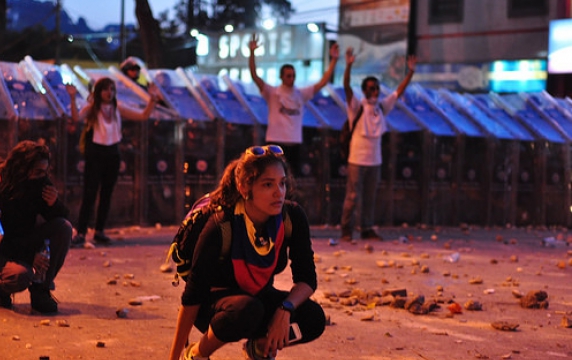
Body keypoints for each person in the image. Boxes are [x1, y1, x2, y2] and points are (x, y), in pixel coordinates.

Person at [168, 145, 325, 360]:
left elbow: (307, 279)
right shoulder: (222, 225)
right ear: (244, 187)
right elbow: (192, 296)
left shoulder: (292, 217)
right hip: (217, 310)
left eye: (282, 183)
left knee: (313, 318)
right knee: (248, 309)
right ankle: (197, 353)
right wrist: (173, 357)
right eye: (267, 185)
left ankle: (259, 347)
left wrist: (285, 309)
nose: (278, 192)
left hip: (257, 299)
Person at [66, 77, 158, 247]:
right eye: (106, 89)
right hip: (95, 152)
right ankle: (81, 232)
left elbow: (143, 116)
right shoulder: (92, 108)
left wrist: (152, 99)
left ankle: (99, 230)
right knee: (89, 193)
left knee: (106, 194)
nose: (109, 93)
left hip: (112, 152)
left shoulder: (117, 108)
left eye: (112, 89)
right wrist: (72, 97)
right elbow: (76, 118)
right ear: (98, 92)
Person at [340, 48, 417, 242]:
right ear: (365, 90)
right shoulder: (357, 107)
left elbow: (398, 92)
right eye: (372, 88)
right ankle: (346, 230)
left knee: (369, 198)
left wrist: (411, 72)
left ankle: (366, 229)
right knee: (352, 197)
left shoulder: (382, 108)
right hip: (357, 160)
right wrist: (348, 65)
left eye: (377, 88)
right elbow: (347, 87)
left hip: (375, 161)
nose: (376, 91)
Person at [0, 141, 72, 313]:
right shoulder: (0, 182)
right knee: (19, 276)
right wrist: (30, 256)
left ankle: (41, 289)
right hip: (1, 247)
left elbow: (61, 218)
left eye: (44, 172)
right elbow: (0, 236)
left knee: (63, 227)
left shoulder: (39, 182)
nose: (42, 176)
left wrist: (54, 204)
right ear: (23, 168)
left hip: (24, 240)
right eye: (38, 171)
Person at [248, 35, 339, 175]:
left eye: (293, 75)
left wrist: (334, 60)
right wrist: (252, 53)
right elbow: (255, 76)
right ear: (282, 76)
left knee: (291, 178)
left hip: (294, 142)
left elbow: (322, 83)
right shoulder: (273, 93)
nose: (291, 78)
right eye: (288, 75)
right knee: (272, 175)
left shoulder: (300, 94)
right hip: (275, 142)